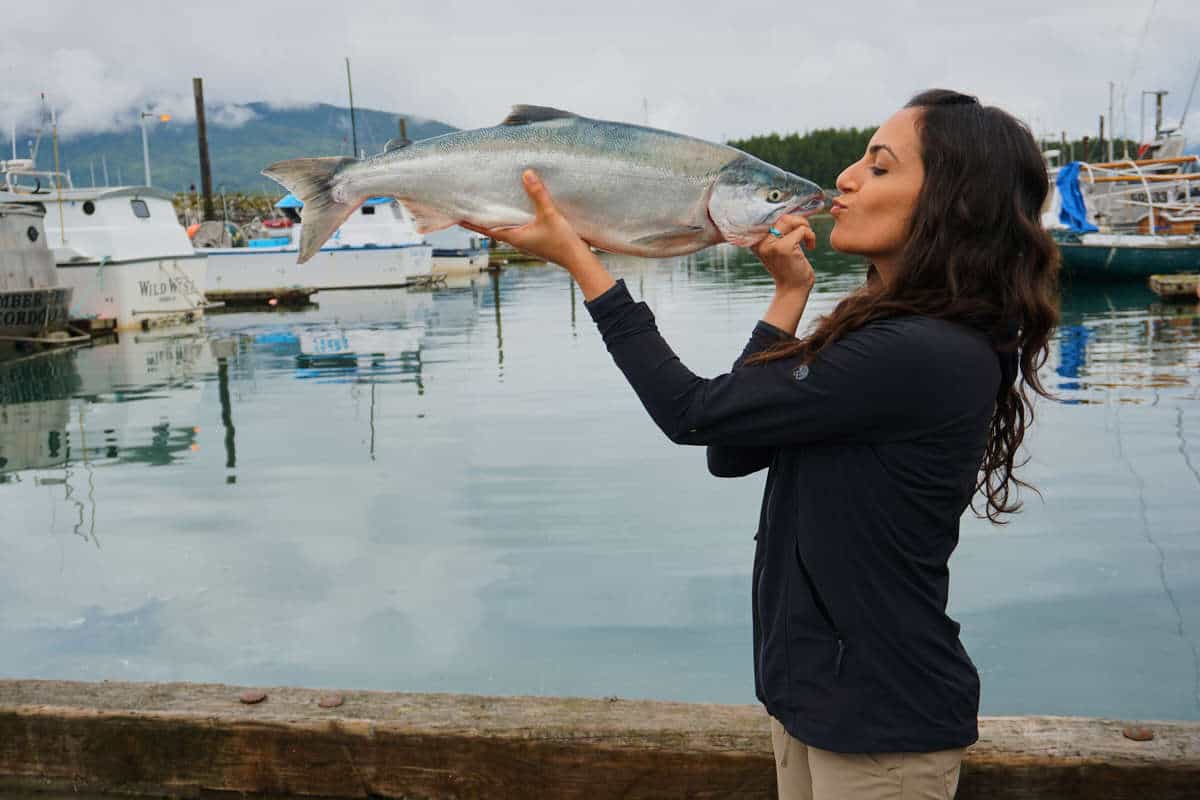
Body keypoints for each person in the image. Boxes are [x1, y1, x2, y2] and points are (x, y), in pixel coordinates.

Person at [466, 89, 1059, 800]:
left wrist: (582, 262)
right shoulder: (886, 331)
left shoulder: (922, 351)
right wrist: (787, 296)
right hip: (818, 702)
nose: (845, 178)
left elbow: (694, 416)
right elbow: (733, 449)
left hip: (881, 728)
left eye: (879, 168)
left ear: (953, 203)